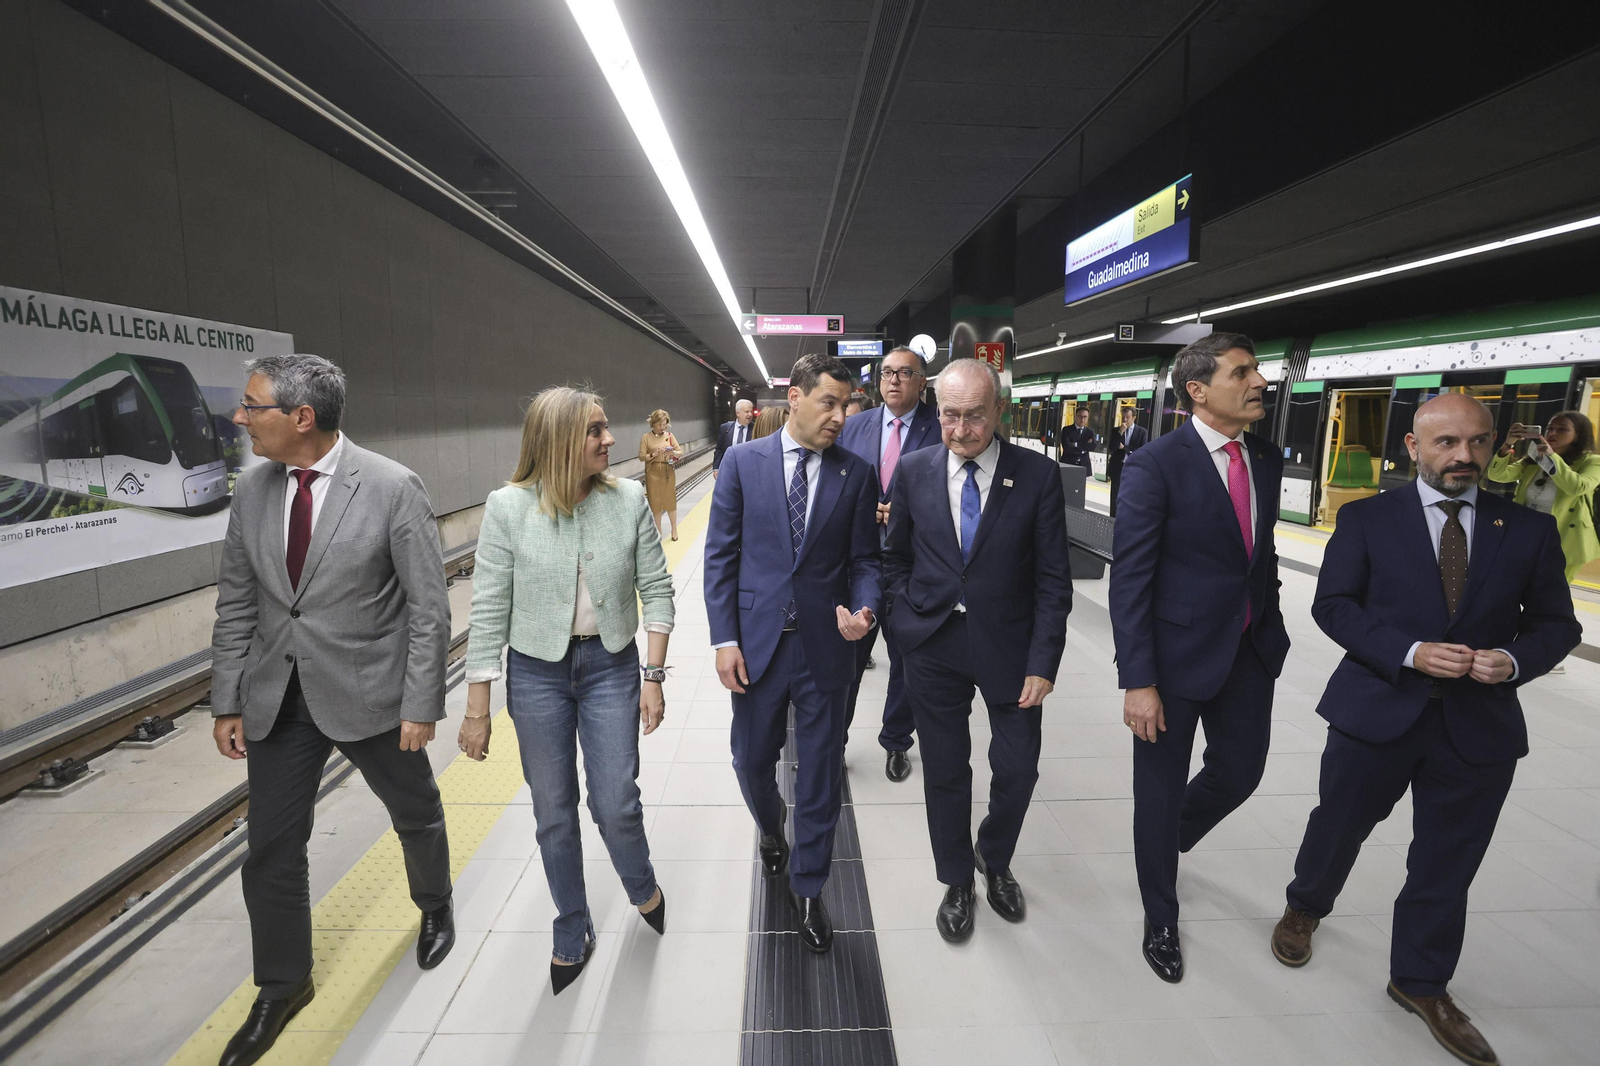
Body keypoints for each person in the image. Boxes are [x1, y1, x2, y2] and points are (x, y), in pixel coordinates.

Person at [1273, 393, 1579, 1066]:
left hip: (1479, 724)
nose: (1462, 456)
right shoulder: (1365, 520)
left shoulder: (1524, 530)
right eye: (1445, 443)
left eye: (1476, 442)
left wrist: (1515, 659)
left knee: (1448, 860)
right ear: (1413, 448)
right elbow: (1334, 607)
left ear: (1493, 445)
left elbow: (1559, 624)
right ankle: (1306, 905)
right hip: (1376, 709)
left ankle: (1420, 981)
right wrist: (1409, 652)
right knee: (1339, 825)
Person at [210, 354, 454, 1066]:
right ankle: (284, 984)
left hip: (372, 693)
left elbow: (428, 608)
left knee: (415, 809)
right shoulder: (252, 492)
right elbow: (236, 600)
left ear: (301, 417)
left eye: (253, 408)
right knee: (272, 848)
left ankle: (434, 902)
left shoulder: (389, 486)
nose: (241, 418)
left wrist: (421, 702)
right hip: (278, 699)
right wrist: (226, 696)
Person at [460, 386, 673, 996]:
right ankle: (572, 922)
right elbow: (490, 606)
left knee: (614, 802)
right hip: (537, 674)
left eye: (607, 428)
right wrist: (478, 708)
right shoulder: (507, 508)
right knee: (553, 810)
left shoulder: (628, 498)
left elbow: (656, 588)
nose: (610, 440)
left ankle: (640, 884)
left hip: (611, 666)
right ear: (557, 442)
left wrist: (652, 678)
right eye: (597, 430)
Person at [1109, 332, 1290, 983]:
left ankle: (1163, 837)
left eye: (1257, 369)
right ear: (1197, 390)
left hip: (1247, 650)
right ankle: (1160, 913)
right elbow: (1129, 579)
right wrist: (1138, 681)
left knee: (1239, 772)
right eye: (1243, 371)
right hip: (1172, 659)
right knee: (1156, 792)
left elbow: (1257, 554)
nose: (1259, 381)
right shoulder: (1157, 464)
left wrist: (1272, 625)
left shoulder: (1263, 457)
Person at [884, 358, 1073, 941]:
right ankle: (957, 880)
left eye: (973, 417)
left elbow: (1052, 580)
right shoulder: (914, 471)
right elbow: (894, 558)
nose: (961, 430)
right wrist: (900, 623)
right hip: (932, 644)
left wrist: (1044, 662)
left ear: (998, 412)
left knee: (1017, 770)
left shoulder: (1036, 477)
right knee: (944, 770)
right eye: (948, 416)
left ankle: (994, 855)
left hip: (1012, 650)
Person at [704, 352, 881, 954]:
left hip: (826, 647)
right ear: (795, 396)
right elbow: (720, 557)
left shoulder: (855, 474)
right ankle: (770, 827)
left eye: (847, 404)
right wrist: (724, 638)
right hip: (756, 647)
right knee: (752, 761)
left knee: (821, 772)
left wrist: (864, 609)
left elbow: (865, 562)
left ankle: (810, 887)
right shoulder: (740, 462)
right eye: (829, 402)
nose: (839, 416)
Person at [838, 346, 940, 782]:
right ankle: (833, 740)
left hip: (912, 565)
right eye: (887, 373)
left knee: (907, 662)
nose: (894, 380)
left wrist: (904, 510)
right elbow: (834, 486)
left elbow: (949, 498)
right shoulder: (853, 426)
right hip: (857, 562)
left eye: (905, 373)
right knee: (846, 662)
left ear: (922, 382)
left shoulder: (939, 431)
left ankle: (896, 741)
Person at [1489, 412, 1600, 581]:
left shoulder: (1592, 461)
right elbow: (1498, 475)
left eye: (1562, 429)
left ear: (1578, 435)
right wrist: (1507, 445)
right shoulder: (1534, 458)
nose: (1553, 433)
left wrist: (1552, 457)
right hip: (1527, 533)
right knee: (1516, 584)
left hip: (1565, 539)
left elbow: (1577, 486)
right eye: (1550, 428)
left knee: (1552, 591)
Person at [639, 409, 683, 541]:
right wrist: (653, 454)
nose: (662, 427)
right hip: (652, 472)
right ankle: (658, 530)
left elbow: (680, 451)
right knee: (655, 502)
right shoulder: (646, 437)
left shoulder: (669, 436)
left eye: (664, 424)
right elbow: (641, 456)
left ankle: (674, 529)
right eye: (659, 425)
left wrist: (673, 453)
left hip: (667, 470)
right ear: (653, 423)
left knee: (670, 500)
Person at [1107, 406, 1148, 518]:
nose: (1124, 420)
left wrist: (1125, 447)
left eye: (1127, 417)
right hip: (1117, 469)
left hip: (1133, 470)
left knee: (1131, 497)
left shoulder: (1142, 432)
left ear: (1134, 418)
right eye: (1123, 417)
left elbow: (1142, 450)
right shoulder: (1116, 431)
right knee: (1115, 497)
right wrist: (1120, 432)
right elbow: (1112, 448)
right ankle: (1113, 520)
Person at [713, 399, 755, 477]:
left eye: (751, 411)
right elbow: (719, 449)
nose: (750, 414)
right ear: (738, 413)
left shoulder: (755, 429)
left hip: (748, 471)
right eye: (746, 412)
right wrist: (716, 468)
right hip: (729, 470)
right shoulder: (725, 428)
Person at [1058, 407, 1097, 474]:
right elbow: (1067, 447)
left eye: (1085, 417)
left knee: (1081, 484)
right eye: (1080, 416)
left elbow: (1093, 447)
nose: (1082, 419)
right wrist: (1084, 449)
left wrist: (1076, 444)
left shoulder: (1090, 432)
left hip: (1084, 465)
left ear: (1088, 418)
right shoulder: (1066, 430)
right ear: (1075, 416)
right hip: (1068, 464)